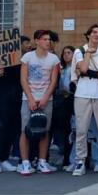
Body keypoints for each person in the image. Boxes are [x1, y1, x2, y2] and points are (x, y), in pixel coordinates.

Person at [70, 25, 98, 176]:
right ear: (88, 34)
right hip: (83, 94)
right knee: (81, 129)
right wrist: (88, 54)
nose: (97, 35)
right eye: (94, 32)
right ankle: (80, 161)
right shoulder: (80, 51)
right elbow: (82, 68)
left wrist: (89, 73)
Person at [17, 29, 60, 176]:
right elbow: (23, 79)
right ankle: (25, 162)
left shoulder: (54, 59)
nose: (48, 42)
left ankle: (42, 161)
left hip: (46, 99)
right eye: (45, 39)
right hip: (28, 98)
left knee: (44, 130)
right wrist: (30, 98)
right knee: (25, 130)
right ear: (37, 41)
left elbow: (53, 81)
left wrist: (45, 98)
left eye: (49, 39)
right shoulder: (27, 57)